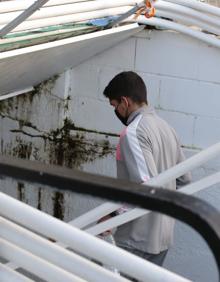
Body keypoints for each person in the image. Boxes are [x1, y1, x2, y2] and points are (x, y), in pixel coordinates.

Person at [103, 71, 191, 266]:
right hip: (163, 238)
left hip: (135, 239)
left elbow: (146, 187)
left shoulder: (132, 133)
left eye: (114, 105)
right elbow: (185, 180)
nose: (115, 110)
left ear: (125, 102)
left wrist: (112, 217)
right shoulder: (167, 128)